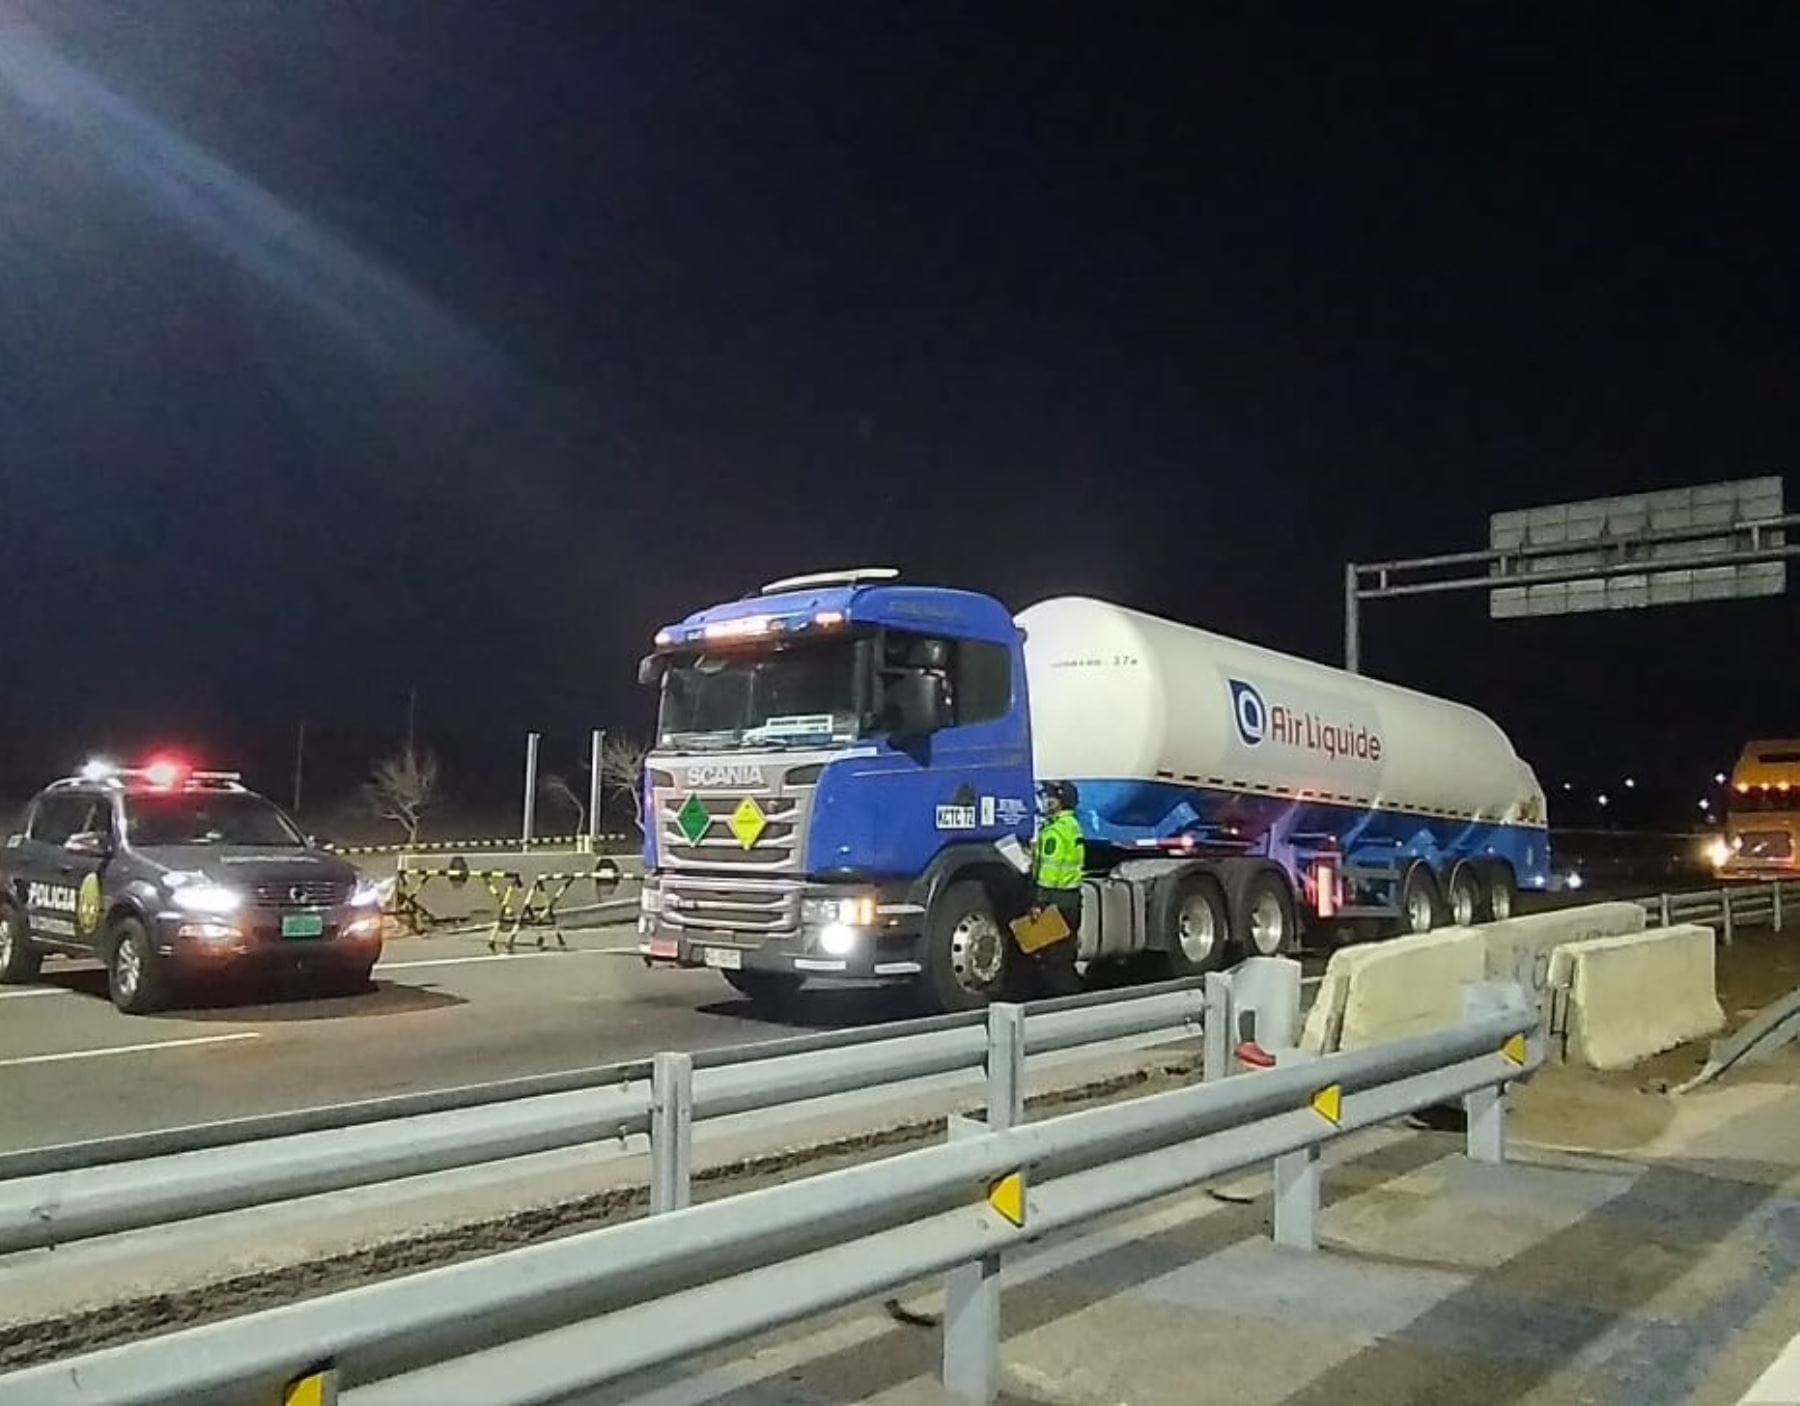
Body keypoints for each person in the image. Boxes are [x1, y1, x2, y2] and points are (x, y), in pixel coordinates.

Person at [1025, 779, 1085, 997]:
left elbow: (1050, 872)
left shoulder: (1055, 832)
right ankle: (1072, 995)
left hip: (1055, 903)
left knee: (1053, 958)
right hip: (1072, 899)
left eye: (1051, 797)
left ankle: (1063, 1000)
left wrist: (1039, 903)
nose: (1047, 801)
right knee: (1065, 954)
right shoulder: (1072, 826)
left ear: (1062, 801)